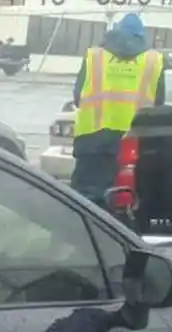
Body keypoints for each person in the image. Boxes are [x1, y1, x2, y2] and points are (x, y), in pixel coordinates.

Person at [70, 12, 165, 206]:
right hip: (132, 141)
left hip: (92, 138)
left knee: (84, 199)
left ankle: (79, 234)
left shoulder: (94, 56)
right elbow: (159, 103)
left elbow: (78, 96)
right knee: (126, 198)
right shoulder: (153, 60)